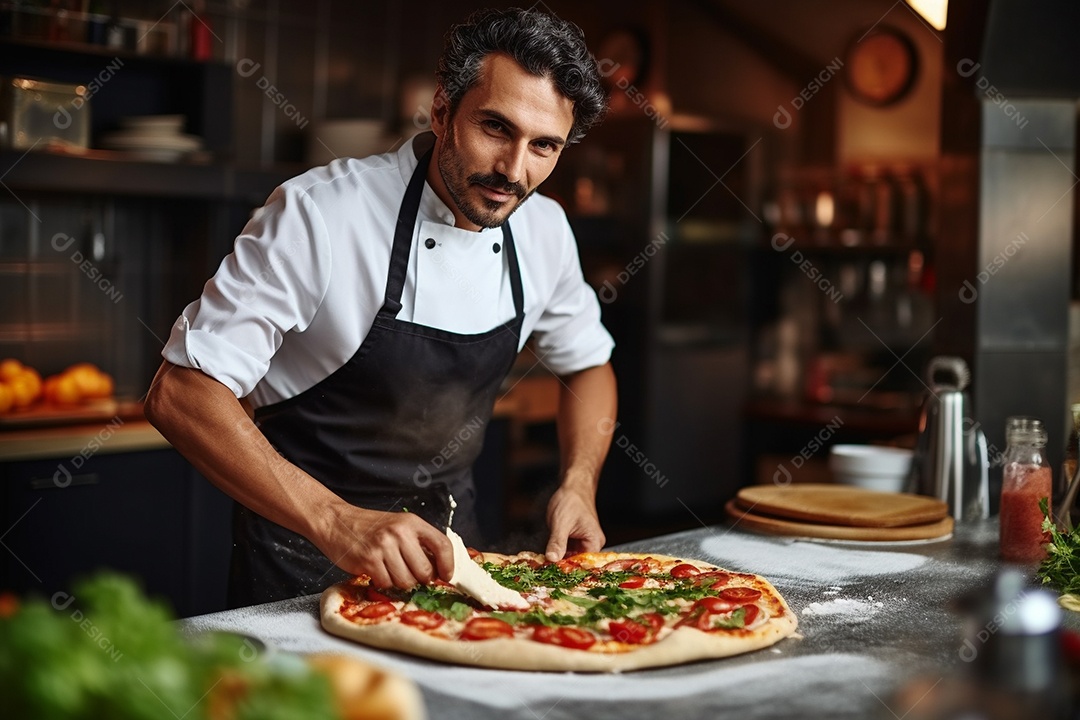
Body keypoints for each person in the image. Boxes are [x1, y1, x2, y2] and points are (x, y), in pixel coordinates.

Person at [144, 7, 617, 607]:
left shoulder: (545, 230)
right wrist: (338, 521)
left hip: (456, 573)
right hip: (299, 573)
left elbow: (588, 365)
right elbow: (181, 394)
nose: (513, 171)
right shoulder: (321, 213)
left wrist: (578, 482)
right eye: (496, 128)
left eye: (544, 146)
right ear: (442, 112)